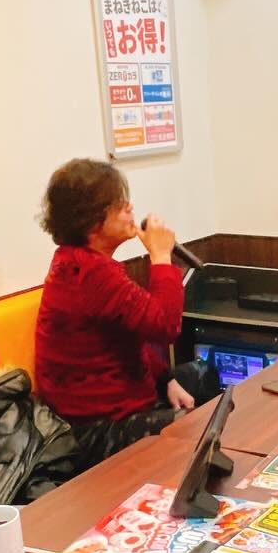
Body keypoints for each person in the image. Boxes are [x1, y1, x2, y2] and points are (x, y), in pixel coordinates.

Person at [33, 157, 220, 466]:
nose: (130, 208)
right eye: (119, 206)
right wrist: (161, 256)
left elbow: (129, 336)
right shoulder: (89, 272)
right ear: (92, 221)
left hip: (125, 399)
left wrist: (166, 379)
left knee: (204, 375)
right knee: (195, 432)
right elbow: (164, 326)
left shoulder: (81, 262)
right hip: (93, 428)